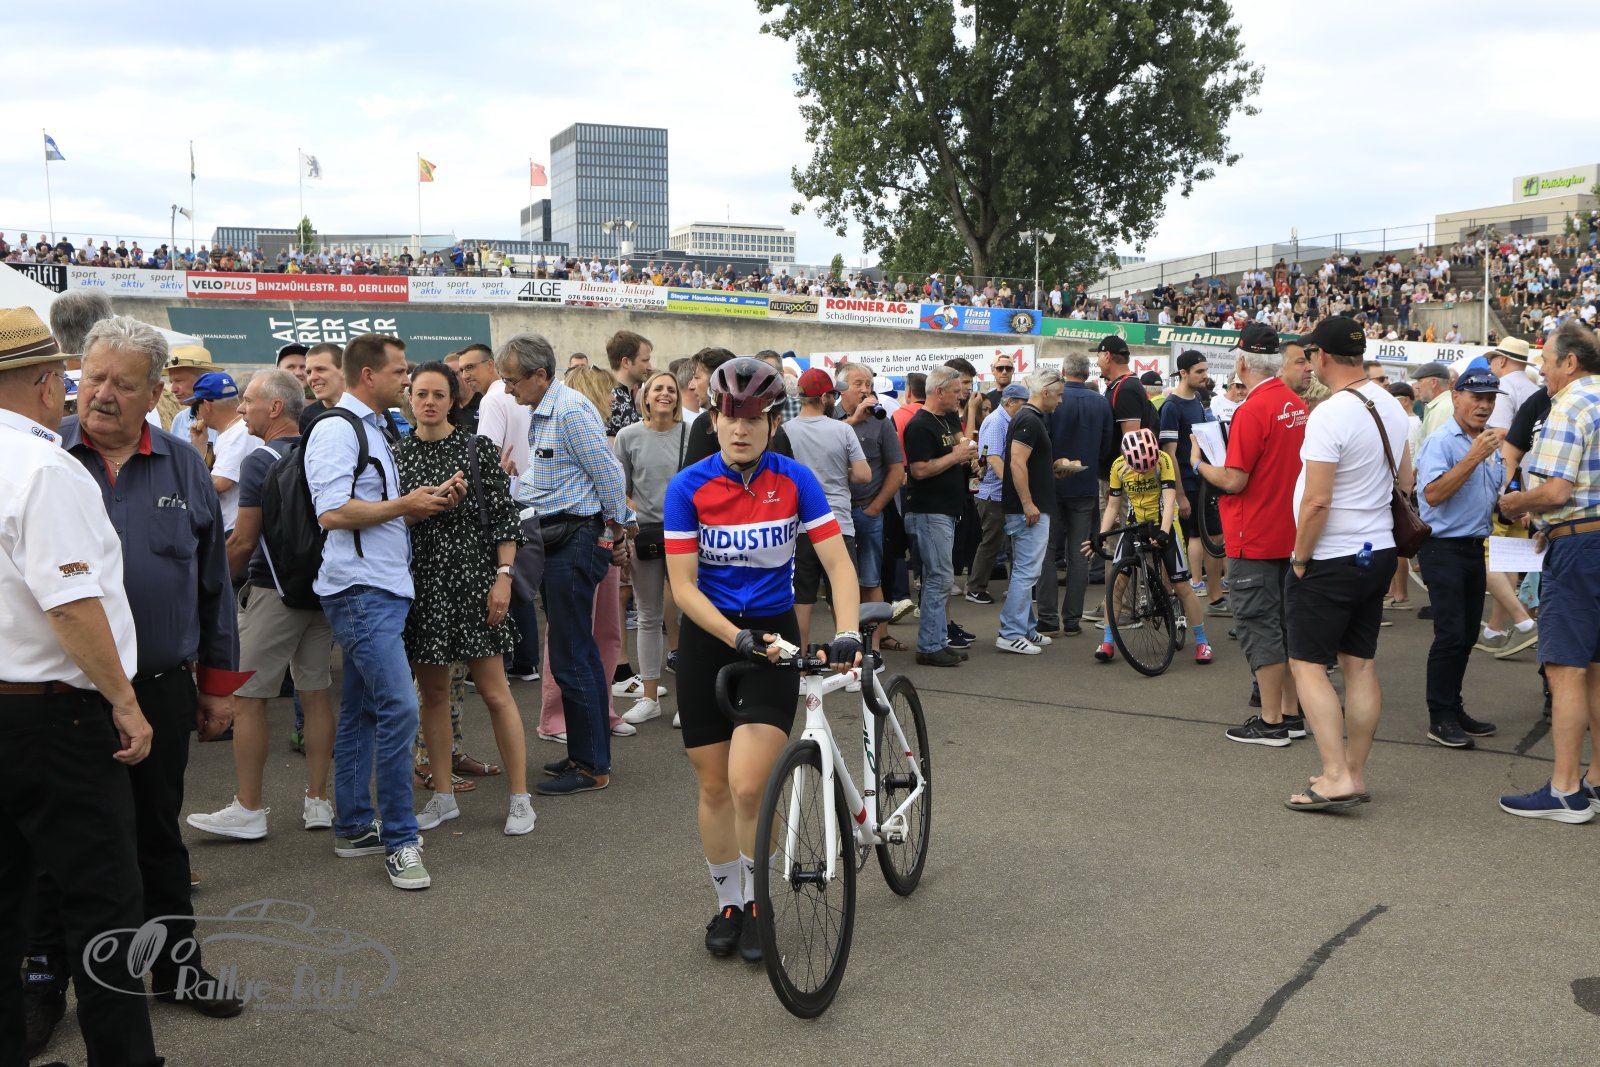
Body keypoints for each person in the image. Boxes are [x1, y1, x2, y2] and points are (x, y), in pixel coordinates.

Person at [51, 314, 244, 1017]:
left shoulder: (183, 464)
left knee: (158, 835)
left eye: (123, 384)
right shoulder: (44, 456)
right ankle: (45, 984)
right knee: (56, 845)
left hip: (160, 686)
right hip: (60, 693)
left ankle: (176, 967)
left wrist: (217, 686)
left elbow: (212, 584)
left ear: (156, 390)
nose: (102, 394)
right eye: (94, 378)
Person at [0, 307, 162, 1066]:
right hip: (55, 717)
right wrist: (124, 701)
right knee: (105, 905)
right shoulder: (43, 468)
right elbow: (69, 604)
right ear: (45, 383)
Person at [663, 356, 860, 962]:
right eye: (730, 416)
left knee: (750, 784)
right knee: (714, 784)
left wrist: (847, 631)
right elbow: (683, 588)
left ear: (773, 423)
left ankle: (757, 900)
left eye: (753, 418)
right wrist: (733, 636)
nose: (740, 428)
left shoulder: (794, 481)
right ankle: (728, 901)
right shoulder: (688, 487)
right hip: (710, 639)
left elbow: (838, 565)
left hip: (772, 641)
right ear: (714, 420)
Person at [307, 332, 465, 889]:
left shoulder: (375, 428)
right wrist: (405, 503)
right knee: (400, 707)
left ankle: (354, 827)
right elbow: (331, 511)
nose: (408, 380)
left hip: (381, 588)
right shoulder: (338, 428)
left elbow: (373, 512)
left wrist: (422, 504)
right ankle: (401, 840)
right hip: (360, 590)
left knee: (365, 711)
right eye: (400, 372)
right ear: (369, 375)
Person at [188, 369, 337, 842]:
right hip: (321, 589)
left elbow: (244, 540)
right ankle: (318, 800)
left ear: (275, 407)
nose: (241, 408)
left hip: (273, 592)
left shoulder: (259, 461)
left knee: (247, 699)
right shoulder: (320, 450)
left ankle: (250, 808)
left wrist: (206, 587)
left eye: (249, 400)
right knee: (315, 693)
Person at [396, 362, 534, 835]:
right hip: (423, 586)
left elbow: (505, 518)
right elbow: (389, 522)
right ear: (410, 398)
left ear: (454, 399)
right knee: (433, 696)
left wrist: (504, 577)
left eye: (439, 393)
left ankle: (520, 799)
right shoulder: (398, 454)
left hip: (475, 583)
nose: (429, 402)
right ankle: (442, 796)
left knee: (496, 693)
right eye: (421, 393)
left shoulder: (476, 448)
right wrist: (418, 509)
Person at [497, 333, 636, 796]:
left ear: (540, 375)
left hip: (574, 539)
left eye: (513, 380)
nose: (508, 389)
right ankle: (584, 753)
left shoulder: (570, 411)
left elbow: (610, 475)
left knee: (573, 654)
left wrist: (615, 533)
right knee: (572, 652)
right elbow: (558, 478)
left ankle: (592, 765)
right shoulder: (547, 409)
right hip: (560, 538)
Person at [1283, 316, 1412, 812]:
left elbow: (1316, 501)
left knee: (1307, 665)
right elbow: (1406, 480)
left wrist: (1300, 557)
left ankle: (1336, 775)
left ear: (1321, 356)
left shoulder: (1330, 413)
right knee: (1359, 664)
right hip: (1377, 550)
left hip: (1332, 553)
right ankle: (1352, 771)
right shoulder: (1389, 403)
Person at [1497, 321, 1600, 822]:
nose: (1541, 371)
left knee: (1565, 668)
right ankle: (1595, 780)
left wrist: (1517, 503)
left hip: (1579, 547)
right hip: (1586, 537)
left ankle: (1564, 789)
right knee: (1595, 669)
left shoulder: (1570, 404)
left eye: (1546, 361)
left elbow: (1557, 491)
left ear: (1570, 362)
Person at [1196, 323, 1308, 746]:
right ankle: (1291, 715)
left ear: (1242, 363)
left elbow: (1234, 479)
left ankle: (1271, 720)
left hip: (1255, 534)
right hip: (1289, 532)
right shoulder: (1296, 404)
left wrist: (1199, 464)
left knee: (1259, 626)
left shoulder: (1252, 409)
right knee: (1285, 626)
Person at [1415, 368, 1507, 749]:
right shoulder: (1442, 441)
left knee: (1467, 635)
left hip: (1473, 547)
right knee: (1451, 634)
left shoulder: (1488, 441)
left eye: (1490, 399)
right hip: (1443, 549)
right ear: (1456, 397)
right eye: (1476, 397)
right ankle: (1440, 717)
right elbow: (1433, 495)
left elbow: (1491, 494)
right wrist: (1473, 457)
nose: (1484, 406)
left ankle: (1453, 707)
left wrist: (1513, 507)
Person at [1090, 429, 1211, 665]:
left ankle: (1202, 641)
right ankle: (1107, 641)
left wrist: (1164, 533)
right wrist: (1102, 535)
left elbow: (1169, 500)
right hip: (1134, 526)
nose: (1144, 471)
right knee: (1117, 585)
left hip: (1161, 522)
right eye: (1139, 468)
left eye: (1148, 467)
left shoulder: (1163, 460)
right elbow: (1113, 506)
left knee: (1181, 586)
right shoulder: (1118, 466)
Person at [616, 370, 691, 726]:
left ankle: (691, 699)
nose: (665, 394)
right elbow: (619, 488)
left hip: (686, 535)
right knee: (648, 616)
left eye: (671, 389)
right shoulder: (628, 436)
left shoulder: (691, 433)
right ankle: (649, 698)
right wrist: (628, 517)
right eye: (657, 388)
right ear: (644, 397)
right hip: (644, 535)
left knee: (693, 615)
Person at [784, 368, 868, 645]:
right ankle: (850, 658)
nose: (836, 399)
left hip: (799, 528)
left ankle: (797, 660)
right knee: (843, 599)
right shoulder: (843, 430)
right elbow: (864, 475)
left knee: (801, 600)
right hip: (837, 524)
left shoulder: (785, 431)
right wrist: (840, 473)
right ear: (823, 398)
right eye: (833, 394)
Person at [903, 366, 978, 667]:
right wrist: (956, 457)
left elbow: (961, 445)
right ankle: (929, 646)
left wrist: (969, 460)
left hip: (946, 509)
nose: (961, 395)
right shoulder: (920, 425)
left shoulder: (946, 417)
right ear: (939, 392)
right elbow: (919, 470)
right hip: (929, 510)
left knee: (941, 577)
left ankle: (936, 641)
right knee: (939, 578)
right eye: (956, 391)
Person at [1037, 352, 1114, 637]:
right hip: (1084, 485)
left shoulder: (1054, 398)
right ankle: (1071, 619)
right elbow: (1107, 443)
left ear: (1063, 370)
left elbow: (1043, 439)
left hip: (1052, 484)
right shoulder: (1100, 402)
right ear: (1087, 373)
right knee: (1080, 554)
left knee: (1047, 551)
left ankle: (1047, 617)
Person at [834, 362, 906, 655]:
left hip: (866, 511)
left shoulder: (881, 420)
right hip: (834, 515)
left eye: (869, 384)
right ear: (841, 388)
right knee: (839, 582)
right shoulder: (829, 417)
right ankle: (845, 645)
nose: (866, 390)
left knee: (870, 579)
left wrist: (875, 508)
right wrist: (853, 420)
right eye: (859, 384)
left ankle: (873, 649)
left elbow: (897, 468)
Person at [997, 366, 1065, 653]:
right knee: (1026, 572)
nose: (1060, 400)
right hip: (1028, 509)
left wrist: (1052, 472)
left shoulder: (1029, 417)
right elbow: (1016, 462)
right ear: (1045, 392)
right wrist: (1027, 503)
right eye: (1058, 395)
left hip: (1030, 506)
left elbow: (1024, 462)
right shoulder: (1029, 419)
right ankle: (1011, 632)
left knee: (1027, 571)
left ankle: (1024, 627)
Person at [1160, 350, 1225, 610]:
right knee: (1182, 543)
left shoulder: (1197, 398)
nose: (1205, 375)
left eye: (1205, 370)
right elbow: (1169, 455)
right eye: (1199, 371)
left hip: (1205, 482)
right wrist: (1180, 495)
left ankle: (1215, 597)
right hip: (1186, 486)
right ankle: (1171, 599)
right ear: (1183, 373)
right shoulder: (1171, 407)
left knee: (1215, 538)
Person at [968, 385, 1027, 607]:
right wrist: (1014, 487)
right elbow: (993, 458)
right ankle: (975, 588)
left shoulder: (1005, 420)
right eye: (1023, 403)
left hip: (995, 491)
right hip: (994, 493)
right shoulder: (997, 421)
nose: (1026, 408)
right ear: (1011, 402)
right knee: (992, 542)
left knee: (1003, 542)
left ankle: (1010, 585)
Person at [187, 371, 260, 536]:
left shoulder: (238, 433)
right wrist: (200, 446)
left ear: (207, 405)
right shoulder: (235, 430)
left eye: (195, 407)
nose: (196, 414)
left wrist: (184, 481)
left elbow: (220, 483)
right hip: (234, 527)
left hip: (235, 530)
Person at [1098, 335, 1158, 438]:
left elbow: (1131, 441)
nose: (1097, 362)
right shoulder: (1125, 385)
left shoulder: (1126, 389)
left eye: (1098, 356)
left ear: (1107, 356)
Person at [604, 329, 653, 436]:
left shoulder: (623, 395)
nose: (650, 367)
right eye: (645, 360)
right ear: (626, 362)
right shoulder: (612, 400)